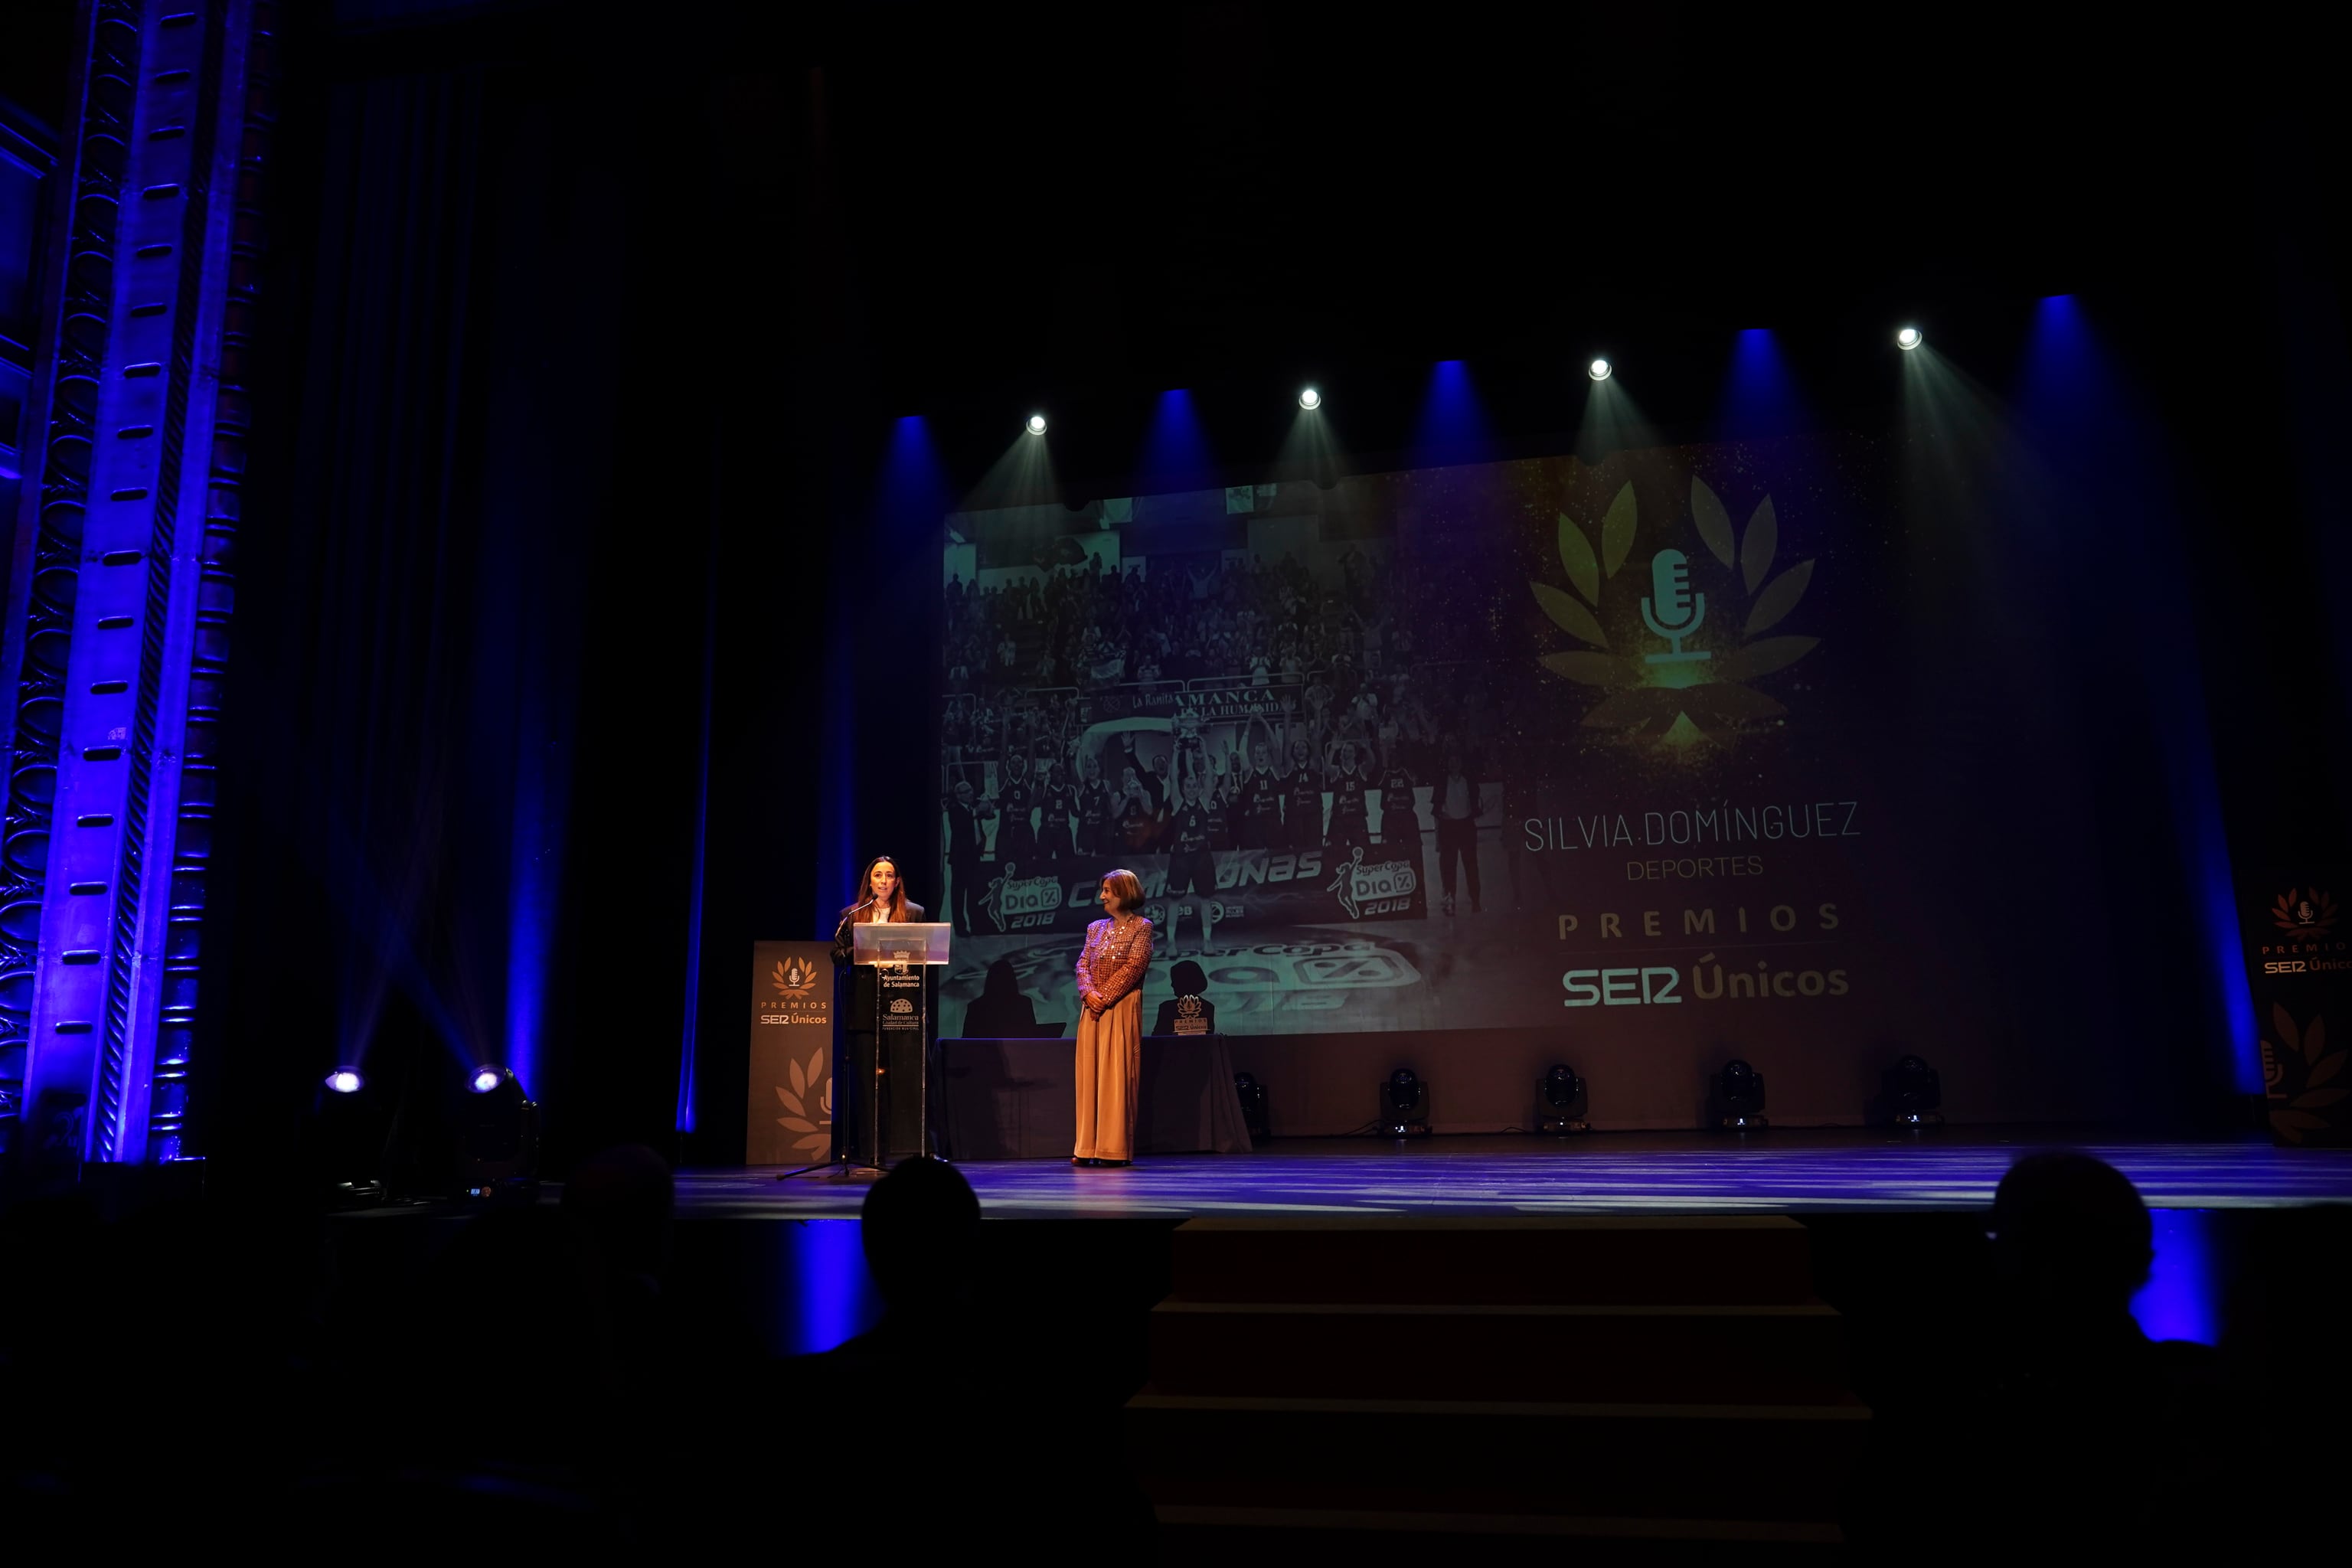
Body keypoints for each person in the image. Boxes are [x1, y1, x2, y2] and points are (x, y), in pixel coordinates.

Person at [1072, 869, 1154, 1168]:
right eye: (1103, 890)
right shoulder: (1095, 928)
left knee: (1116, 1078)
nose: (1102, 896)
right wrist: (1088, 994)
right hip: (1093, 1009)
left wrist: (1103, 998)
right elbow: (1082, 964)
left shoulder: (1142, 928)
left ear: (1124, 893)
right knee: (1089, 1078)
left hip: (1118, 1008)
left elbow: (1134, 968)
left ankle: (1112, 1149)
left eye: (1107, 890)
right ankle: (1086, 1147)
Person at [831, 854, 925, 965]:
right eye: (878, 875)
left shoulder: (915, 913)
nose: (884, 881)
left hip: (901, 980)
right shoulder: (851, 914)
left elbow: (923, 952)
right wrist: (863, 952)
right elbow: (837, 955)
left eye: (889, 876)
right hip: (866, 979)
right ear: (870, 882)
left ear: (897, 882)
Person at [1433, 744, 1482, 916]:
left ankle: (1476, 900)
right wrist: (1437, 837)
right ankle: (1450, 901)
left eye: (1456, 761)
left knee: (1471, 865)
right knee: (1449, 867)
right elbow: (1437, 811)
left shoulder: (1469, 781)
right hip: (1448, 827)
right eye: (1451, 761)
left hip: (1466, 827)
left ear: (1461, 763)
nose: (1453, 764)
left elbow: (1476, 805)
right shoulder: (1441, 781)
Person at [1152, 959, 1217, 1035]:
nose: (1172, 985)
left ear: (1183, 981)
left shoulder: (1167, 1008)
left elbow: (1157, 1038)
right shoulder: (1208, 1007)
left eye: (1175, 980)